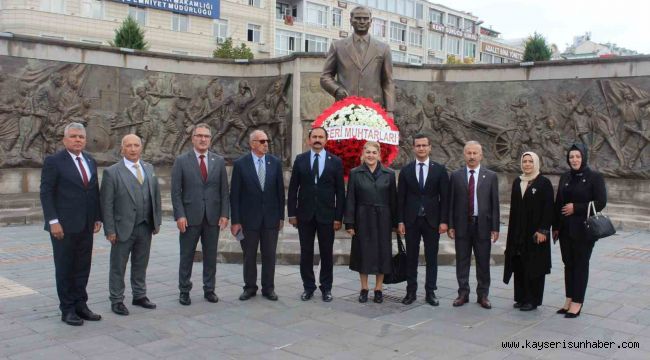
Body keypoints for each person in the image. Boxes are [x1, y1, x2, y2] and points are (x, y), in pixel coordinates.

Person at [39, 122, 102, 326]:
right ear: (65, 139)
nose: (77, 140)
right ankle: (67, 309)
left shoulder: (90, 161)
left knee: (83, 266)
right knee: (65, 267)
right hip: (63, 227)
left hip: (86, 224)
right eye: (73, 136)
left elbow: (93, 191)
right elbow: (46, 192)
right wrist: (53, 221)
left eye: (81, 137)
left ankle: (80, 305)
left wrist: (97, 217)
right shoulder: (54, 161)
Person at [101, 134, 161, 315]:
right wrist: (109, 230)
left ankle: (139, 295)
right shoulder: (112, 172)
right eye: (129, 146)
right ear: (122, 149)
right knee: (118, 265)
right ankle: (117, 299)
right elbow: (106, 204)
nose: (133, 149)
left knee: (141, 263)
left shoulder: (149, 168)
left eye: (136, 145)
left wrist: (156, 221)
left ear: (141, 148)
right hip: (122, 228)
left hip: (145, 225)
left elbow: (155, 196)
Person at [171, 124, 230, 306]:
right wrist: (179, 215)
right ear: (193, 138)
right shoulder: (181, 161)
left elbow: (224, 191)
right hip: (189, 217)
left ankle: (209, 289)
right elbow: (176, 192)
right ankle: (184, 290)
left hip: (212, 217)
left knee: (210, 256)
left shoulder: (218, 161)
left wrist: (224, 214)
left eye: (206, 136)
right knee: (186, 255)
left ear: (210, 139)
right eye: (199, 136)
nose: (203, 139)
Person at [287, 127, 345, 302]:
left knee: (327, 253)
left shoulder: (335, 162)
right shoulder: (300, 160)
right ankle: (308, 287)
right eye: (314, 137)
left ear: (326, 140)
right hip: (304, 215)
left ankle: (326, 288)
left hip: (327, 216)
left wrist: (338, 217)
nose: (317, 139)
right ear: (309, 140)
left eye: (321, 137)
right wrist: (291, 213)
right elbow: (292, 189)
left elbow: (340, 192)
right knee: (306, 252)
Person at [553, 143, 607, 318]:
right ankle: (569, 299)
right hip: (565, 230)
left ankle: (577, 302)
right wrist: (555, 226)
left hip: (583, 230)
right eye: (571, 157)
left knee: (580, 265)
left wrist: (576, 208)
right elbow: (558, 202)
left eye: (577, 156)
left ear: (583, 157)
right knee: (568, 265)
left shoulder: (595, 177)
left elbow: (601, 202)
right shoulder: (565, 176)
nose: (574, 160)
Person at [230, 130, 285, 301]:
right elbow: (235, 195)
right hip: (248, 220)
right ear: (252, 143)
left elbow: (280, 192)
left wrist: (281, 217)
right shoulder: (240, 164)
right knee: (249, 255)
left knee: (269, 255)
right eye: (262, 141)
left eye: (267, 140)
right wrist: (236, 221)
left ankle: (268, 288)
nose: (266, 143)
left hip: (270, 219)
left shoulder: (275, 163)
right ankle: (250, 287)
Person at [397, 134, 449, 306]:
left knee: (431, 258)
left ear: (430, 147)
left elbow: (445, 198)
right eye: (418, 145)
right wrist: (400, 221)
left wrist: (444, 221)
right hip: (411, 221)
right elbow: (401, 198)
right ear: (413, 148)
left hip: (432, 221)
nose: (421, 148)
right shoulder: (406, 170)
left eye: (424, 145)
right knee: (411, 258)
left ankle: (430, 292)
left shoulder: (439, 170)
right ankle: (411, 292)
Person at [448, 141, 500, 309]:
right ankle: (463, 293)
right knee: (462, 261)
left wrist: (495, 227)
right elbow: (451, 203)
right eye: (468, 153)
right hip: (462, 225)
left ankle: (483, 295)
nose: (471, 156)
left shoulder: (491, 176)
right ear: (464, 155)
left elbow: (495, 203)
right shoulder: (455, 176)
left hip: (482, 225)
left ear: (481, 155)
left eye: (474, 153)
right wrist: (450, 224)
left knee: (483, 261)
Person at [344, 141, 397, 303]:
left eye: (374, 152)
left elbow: (393, 200)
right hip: (362, 218)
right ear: (363, 154)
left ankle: (378, 288)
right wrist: (350, 223)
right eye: (368, 152)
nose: (371, 155)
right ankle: (364, 288)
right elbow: (351, 199)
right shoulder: (355, 173)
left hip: (383, 219)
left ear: (379, 154)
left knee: (382, 253)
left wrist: (395, 223)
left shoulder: (389, 173)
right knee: (363, 253)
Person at [320, 6, 395, 118]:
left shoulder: (383, 48)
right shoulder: (338, 46)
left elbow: (388, 81)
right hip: (345, 109)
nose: (362, 21)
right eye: (358, 18)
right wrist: (337, 90)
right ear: (351, 20)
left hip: (374, 110)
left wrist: (389, 111)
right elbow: (325, 77)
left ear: (371, 21)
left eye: (365, 18)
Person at [503, 152, 553, 311]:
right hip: (518, 232)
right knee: (519, 264)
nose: (527, 164)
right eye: (524, 161)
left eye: (530, 161)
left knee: (534, 266)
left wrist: (543, 230)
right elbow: (514, 208)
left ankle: (532, 300)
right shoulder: (518, 181)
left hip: (536, 234)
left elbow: (548, 209)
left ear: (536, 163)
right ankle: (521, 297)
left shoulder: (544, 183)